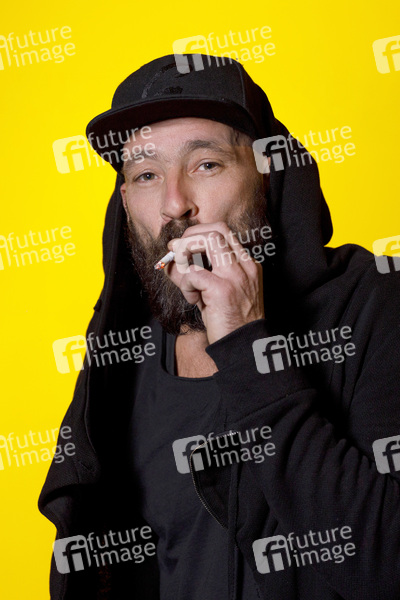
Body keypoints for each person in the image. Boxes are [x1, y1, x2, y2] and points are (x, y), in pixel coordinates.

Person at [39, 54, 400, 600]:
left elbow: (387, 564)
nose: (175, 205)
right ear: (124, 202)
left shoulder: (374, 305)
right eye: (145, 175)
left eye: (206, 164)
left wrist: (244, 337)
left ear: (267, 174)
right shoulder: (121, 355)